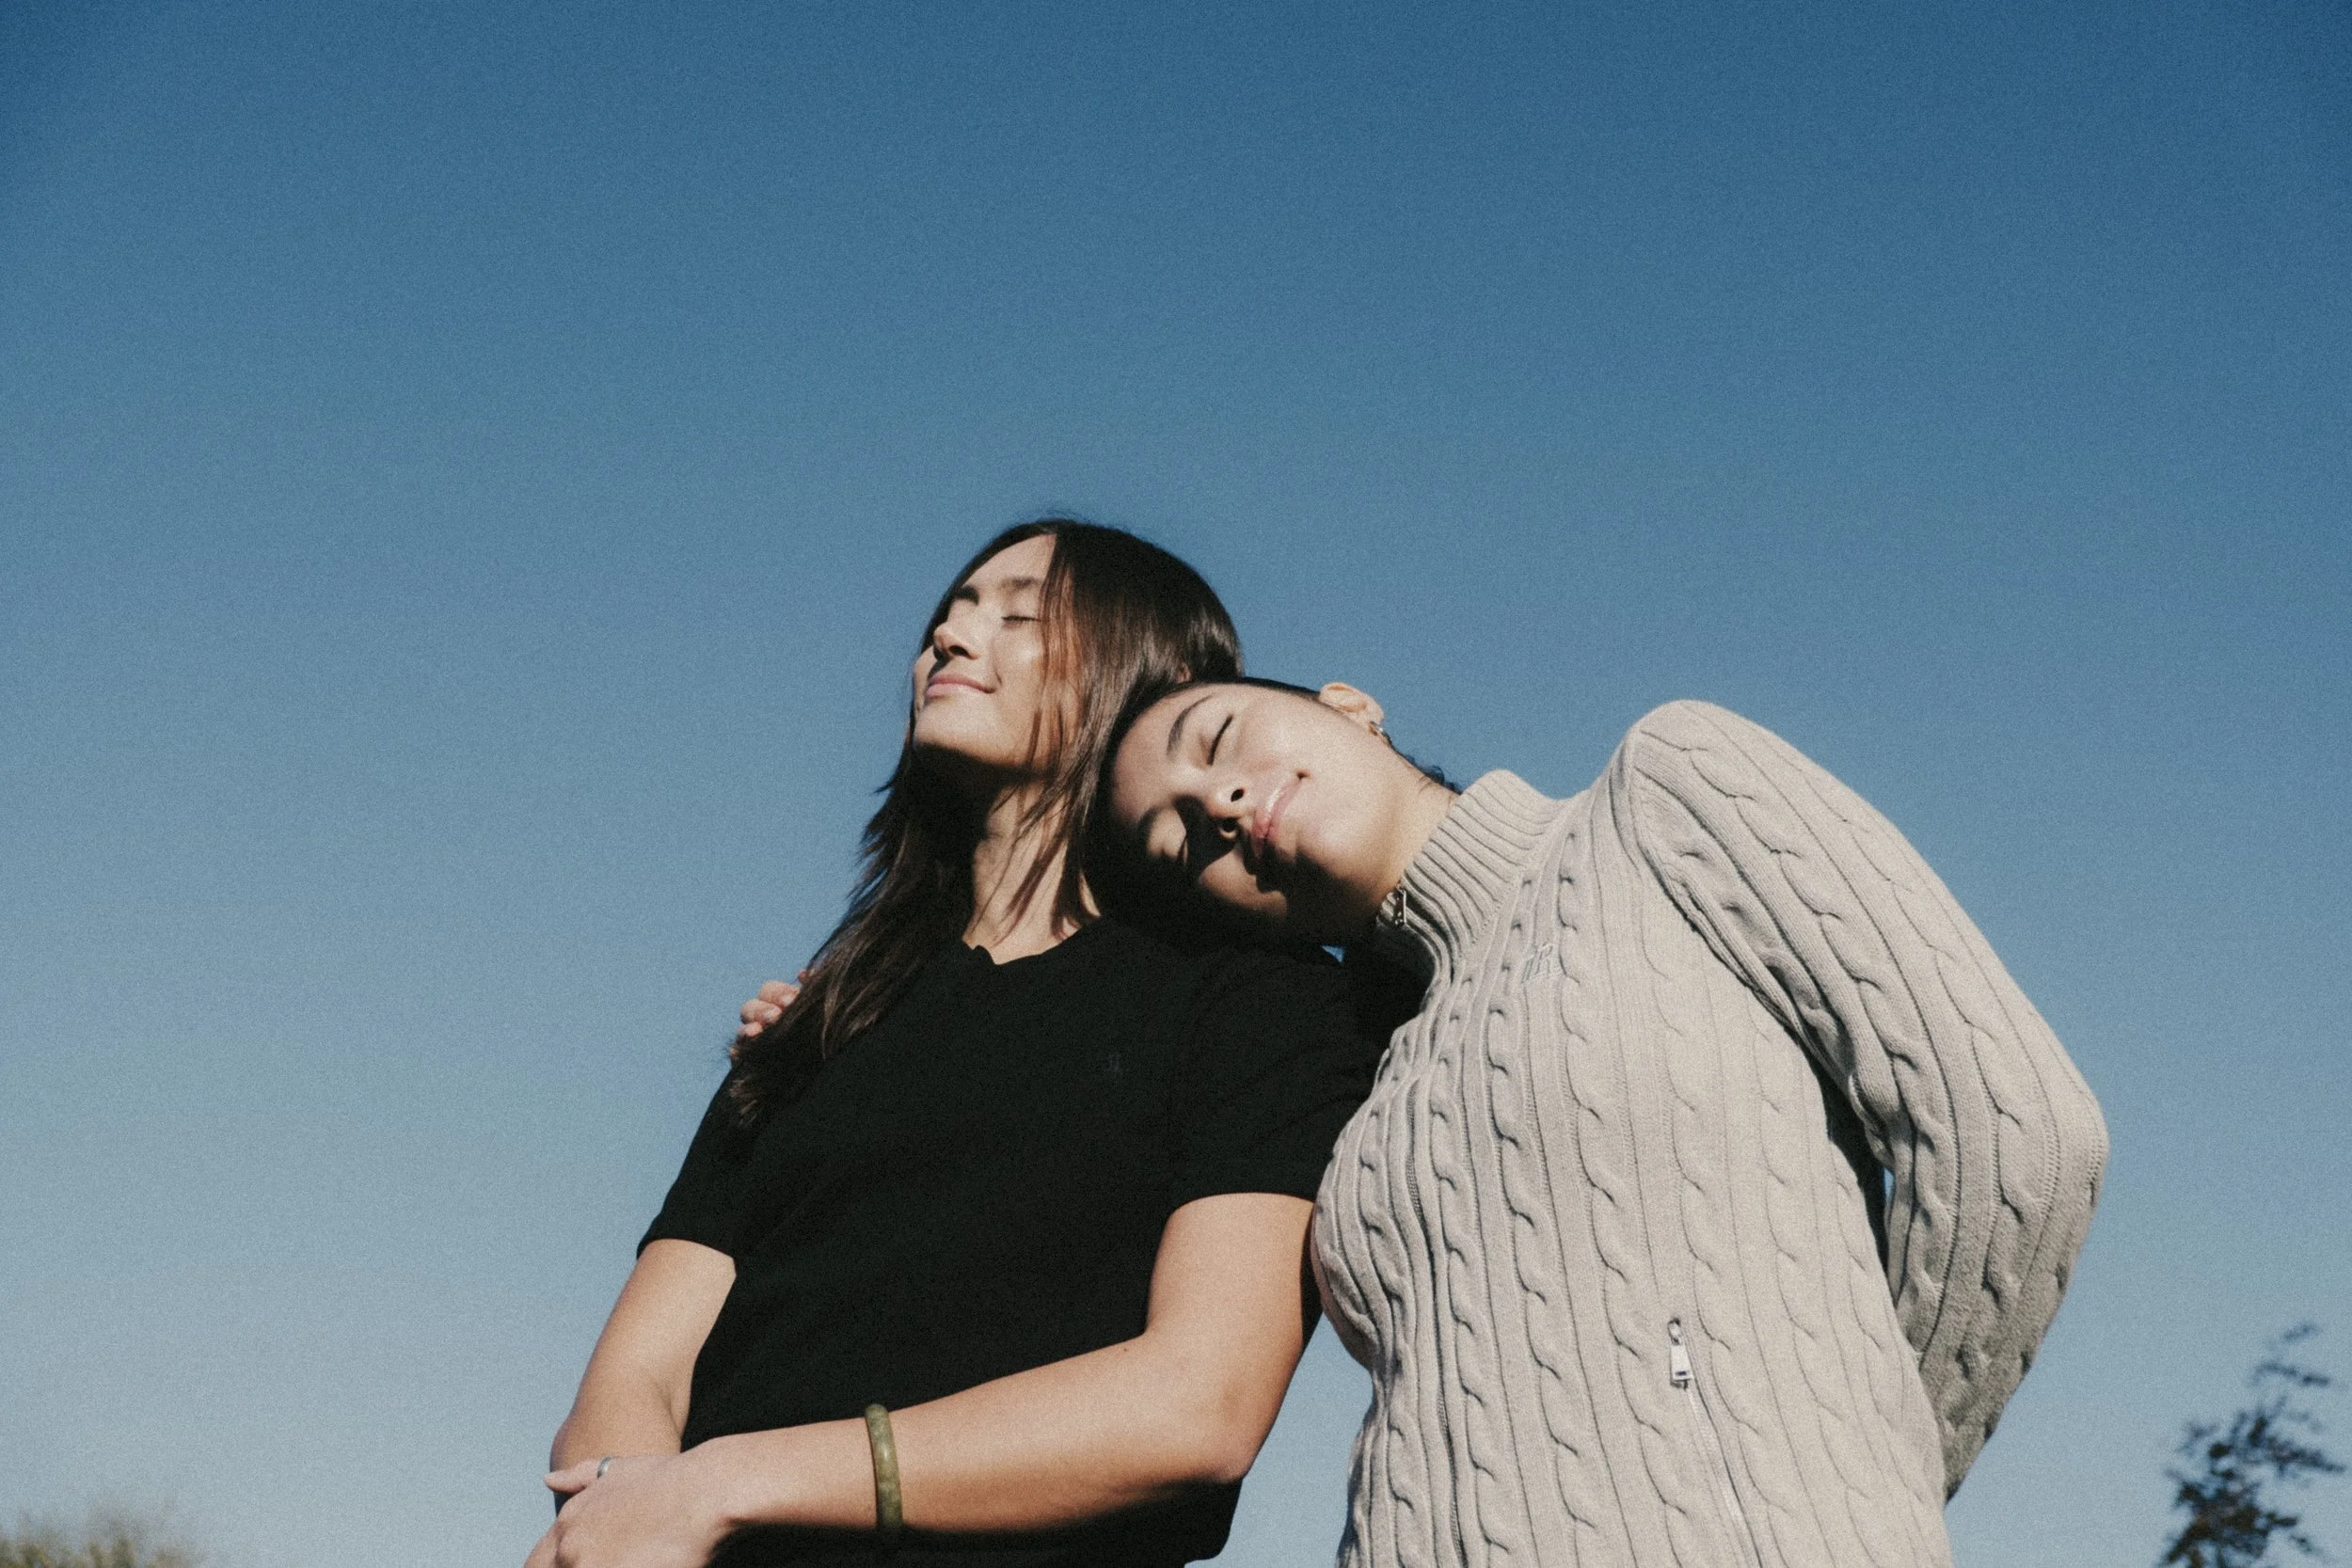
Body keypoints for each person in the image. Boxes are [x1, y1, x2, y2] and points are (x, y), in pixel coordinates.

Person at [529, 525, 1392, 1568]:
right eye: (950, 612)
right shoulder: (822, 1015)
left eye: (1021, 613)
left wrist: (723, 1485)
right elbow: (638, 1373)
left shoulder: (1259, 997)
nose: (950, 634)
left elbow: (1199, 1405)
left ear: (1150, 672)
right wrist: (626, 1508)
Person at [1104, 678, 2109, 1568]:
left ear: (1349, 706)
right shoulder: (1362, 1098)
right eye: (1180, 839)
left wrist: (1856, 1494)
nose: (1218, 804)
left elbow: (2015, 1135)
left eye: (1219, 737)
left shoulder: (1657, 797)